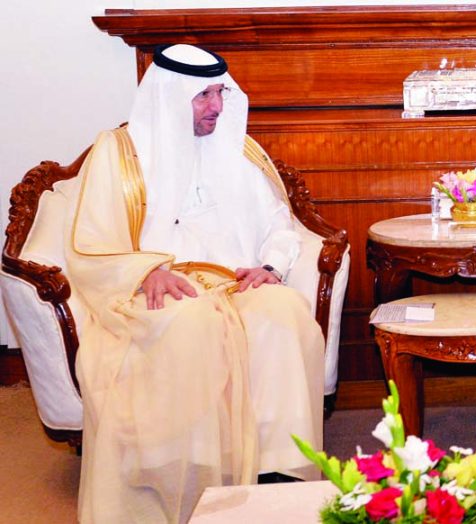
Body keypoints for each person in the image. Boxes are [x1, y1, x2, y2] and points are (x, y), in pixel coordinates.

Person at [62, 44, 325, 523]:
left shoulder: (239, 149)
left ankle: (276, 473)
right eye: (202, 96)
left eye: (220, 92)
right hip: (155, 289)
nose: (217, 107)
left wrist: (272, 265)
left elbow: (279, 224)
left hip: (234, 284)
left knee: (284, 313)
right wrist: (145, 270)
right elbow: (89, 244)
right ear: (169, 96)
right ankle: (183, 475)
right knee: (191, 323)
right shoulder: (118, 153)